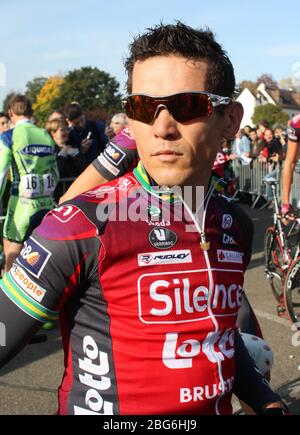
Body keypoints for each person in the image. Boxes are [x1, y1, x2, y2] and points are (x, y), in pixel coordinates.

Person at [0, 22, 288, 415]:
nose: (163, 127)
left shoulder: (234, 224)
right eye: (144, 107)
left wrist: (268, 401)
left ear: (230, 120)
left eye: (187, 105)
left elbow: (217, 337)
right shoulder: (81, 225)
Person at [0, 95, 59, 272]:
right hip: (46, 203)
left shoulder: (9, 135)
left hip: (21, 205)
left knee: (13, 253)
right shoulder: (44, 134)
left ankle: (9, 297)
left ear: (11, 113)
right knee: (42, 255)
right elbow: (55, 173)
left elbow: (2, 172)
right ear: (31, 111)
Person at [281, 114, 300, 217]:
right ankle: (285, 204)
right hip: (296, 126)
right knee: (290, 161)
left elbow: (290, 162)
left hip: (296, 124)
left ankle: (285, 205)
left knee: (290, 161)